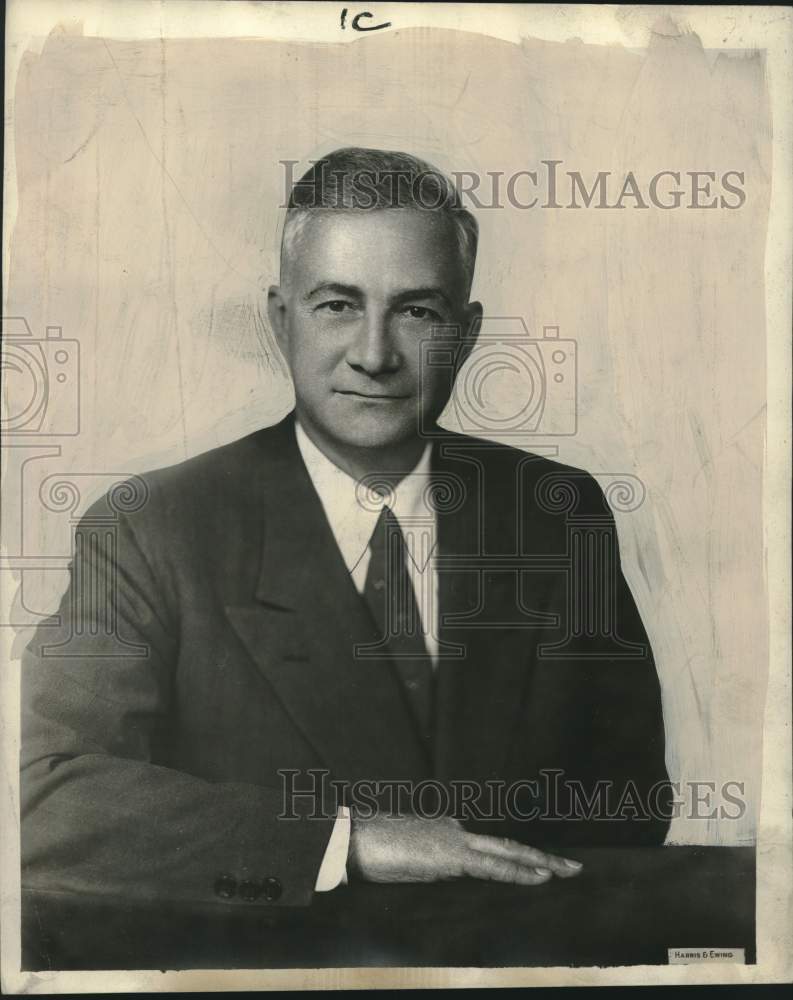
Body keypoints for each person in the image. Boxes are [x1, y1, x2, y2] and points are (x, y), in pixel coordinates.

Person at [20, 148, 670, 913]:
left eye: (416, 310)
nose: (373, 354)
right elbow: (45, 803)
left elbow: (629, 804)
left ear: (464, 332)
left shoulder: (555, 511)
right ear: (279, 318)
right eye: (337, 305)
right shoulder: (149, 530)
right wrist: (344, 841)